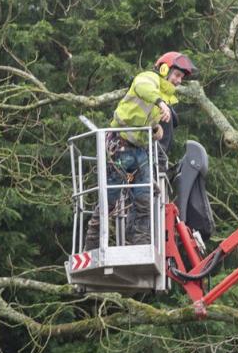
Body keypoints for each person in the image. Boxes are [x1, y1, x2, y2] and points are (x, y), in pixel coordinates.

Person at [84, 52, 196, 250]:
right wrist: (160, 102)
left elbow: (143, 117)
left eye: (181, 77)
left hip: (140, 152)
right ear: (164, 69)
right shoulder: (148, 79)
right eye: (177, 75)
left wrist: (155, 129)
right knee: (109, 200)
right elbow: (142, 89)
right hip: (120, 147)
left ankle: (139, 246)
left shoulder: (165, 97)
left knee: (144, 200)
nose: (179, 80)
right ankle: (92, 246)